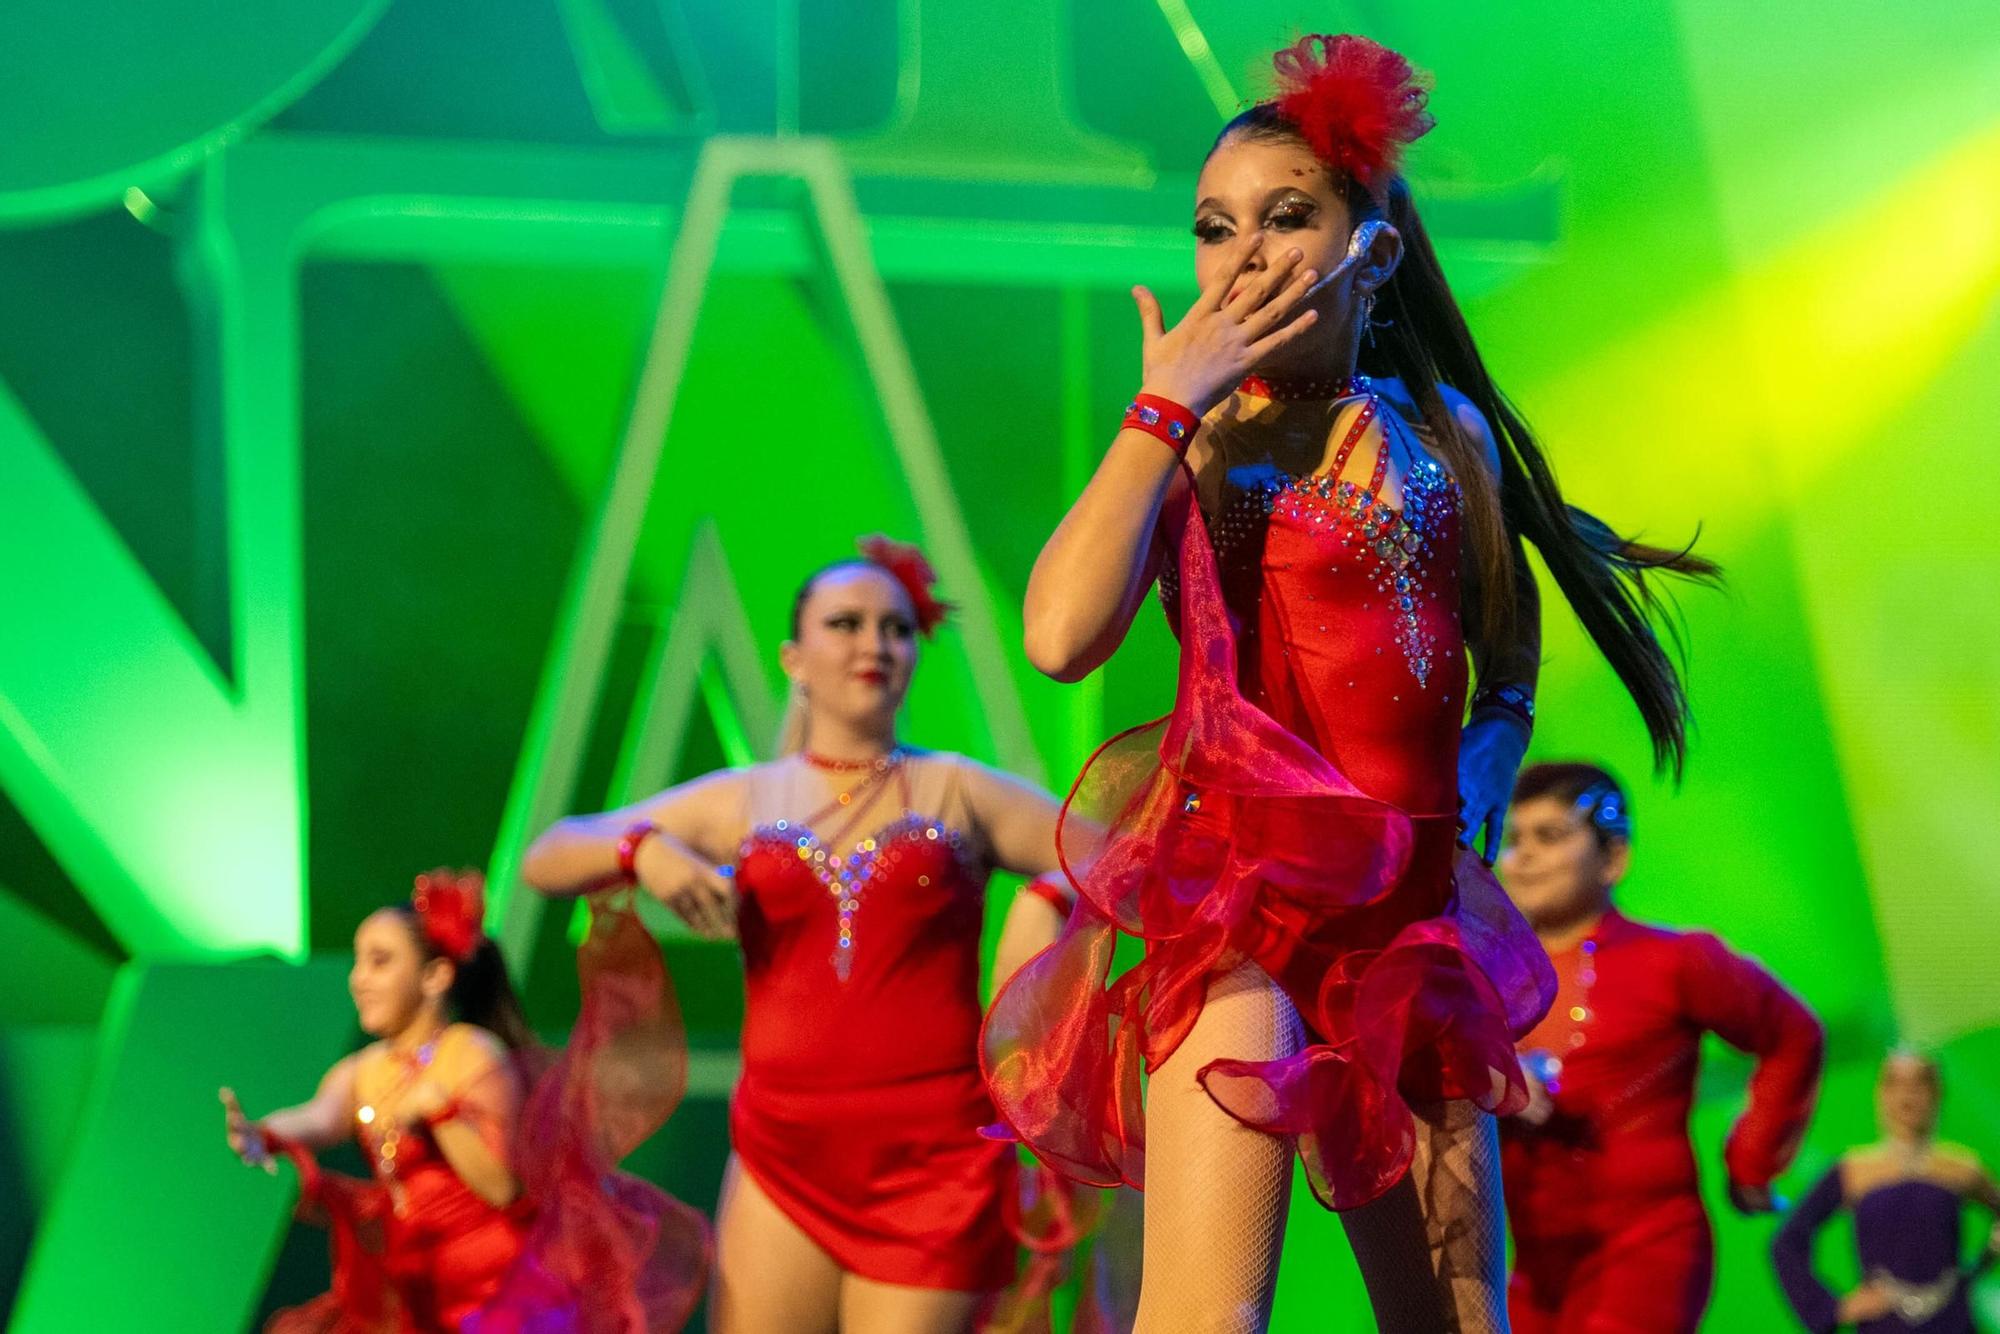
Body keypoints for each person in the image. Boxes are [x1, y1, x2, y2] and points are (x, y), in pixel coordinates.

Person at [983, 31, 1719, 1333]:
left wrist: (1499, 736)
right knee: (1209, 1315)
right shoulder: (1196, 440)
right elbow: (1057, 634)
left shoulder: (1449, 434)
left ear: (1372, 251)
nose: (1244, 256)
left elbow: (1508, 630)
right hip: (1245, 922)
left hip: (1416, 928)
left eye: (1285, 218)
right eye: (1215, 229)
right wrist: (1161, 407)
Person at [522, 536, 1079, 1334]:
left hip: (936, 1163)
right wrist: (639, 849)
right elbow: (548, 856)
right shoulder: (745, 797)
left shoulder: (959, 788)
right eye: (846, 624)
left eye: (896, 629)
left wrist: (1045, 904)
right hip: (783, 1158)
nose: (874, 645)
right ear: (793, 656)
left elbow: (1129, 854)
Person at [223, 870, 707, 1331]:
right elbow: (318, 1117)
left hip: (501, 1299)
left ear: (435, 976)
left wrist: (441, 1115)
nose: (359, 979)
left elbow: (502, 1188)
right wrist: (263, 1133)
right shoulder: (363, 1071)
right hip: (421, 1294)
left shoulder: (471, 1055)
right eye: (358, 961)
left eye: (380, 961)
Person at [1496, 762, 1825, 1332]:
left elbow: (1793, 1034)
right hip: (1532, 1270)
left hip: (1649, 1249)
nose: (1522, 857)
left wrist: (1752, 1161)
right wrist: (1491, 1079)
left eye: (1548, 837)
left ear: (1613, 857)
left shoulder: (1677, 962)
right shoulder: (1481, 980)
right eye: (1510, 839)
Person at [1773, 1049, 2000, 1333]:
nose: (1908, 1096)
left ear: (1937, 1092)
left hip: (1952, 1320)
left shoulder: (1961, 1168)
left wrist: (1982, 1265)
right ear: (1882, 1094)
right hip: (1884, 1323)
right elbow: (1787, 1241)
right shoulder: (1854, 1169)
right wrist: (1832, 1307)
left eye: (1919, 1084)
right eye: (1896, 1084)